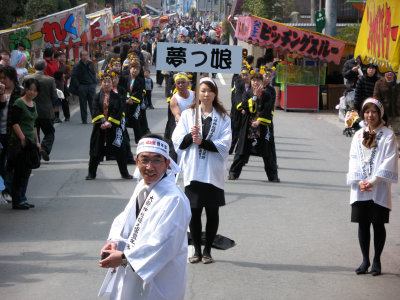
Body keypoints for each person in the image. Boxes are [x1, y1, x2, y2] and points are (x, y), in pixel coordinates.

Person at [98, 134, 191, 299]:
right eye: (145, 160)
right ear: (136, 161)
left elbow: (165, 244)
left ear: (167, 163)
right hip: (134, 266)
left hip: (162, 276)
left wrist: (125, 258)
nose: (150, 167)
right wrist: (114, 241)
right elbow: (125, 218)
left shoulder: (174, 199)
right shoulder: (143, 185)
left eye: (157, 160)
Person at [172, 77, 232, 264]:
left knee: (212, 211)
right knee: (194, 211)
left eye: (210, 91)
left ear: (215, 94)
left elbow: (225, 143)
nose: (206, 94)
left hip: (212, 171)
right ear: (198, 93)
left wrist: (203, 142)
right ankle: (197, 249)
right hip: (194, 170)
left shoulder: (223, 117)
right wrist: (191, 136)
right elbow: (177, 140)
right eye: (203, 90)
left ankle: (208, 250)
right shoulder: (189, 114)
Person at [347, 98, 398, 276]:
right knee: (362, 224)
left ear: (380, 114)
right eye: (367, 112)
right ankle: (365, 260)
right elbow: (353, 158)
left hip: (378, 186)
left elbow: (389, 160)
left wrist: (374, 181)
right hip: (361, 187)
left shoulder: (388, 135)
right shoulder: (359, 135)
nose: (370, 115)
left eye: (374, 112)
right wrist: (359, 181)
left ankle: (376, 261)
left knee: (377, 224)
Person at [228, 72, 279, 182]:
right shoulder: (247, 93)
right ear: (251, 82)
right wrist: (255, 96)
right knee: (241, 151)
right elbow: (244, 106)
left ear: (262, 82)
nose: (256, 82)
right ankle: (233, 173)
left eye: (258, 80)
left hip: (262, 127)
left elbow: (268, 110)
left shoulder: (267, 94)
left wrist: (259, 121)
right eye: (254, 80)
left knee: (267, 152)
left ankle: (273, 176)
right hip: (248, 126)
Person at [86, 71, 132, 180]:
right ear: (101, 83)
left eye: (108, 82)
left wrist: (110, 122)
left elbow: (118, 110)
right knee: (95, 151)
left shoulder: (116, 96)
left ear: (112, 84)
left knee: (120, 151)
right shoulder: (97, 96)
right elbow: (95, 109)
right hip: (99, 127)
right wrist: (103, 121)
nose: (106, 84)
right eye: (104, 82)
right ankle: (91, 174)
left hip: (114, 127)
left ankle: (124, 173)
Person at [7, 78, 40, 209]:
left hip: (31, 142)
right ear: (25, 89)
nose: (32, 92)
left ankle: (23, 198)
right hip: (20, 142)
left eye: (34, 90)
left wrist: (37, 142)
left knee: (27, 171)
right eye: (29, 89)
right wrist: (22, 138)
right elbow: (14, 122)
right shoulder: (19, 103)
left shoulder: (34, 104)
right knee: (19, 172)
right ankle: (17, 200)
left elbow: (34, 125)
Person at [24, 59, 57, 162]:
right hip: (46, 111)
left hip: (30, 109)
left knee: (34, 134)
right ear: (45, 68)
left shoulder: (26, 78)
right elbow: (54, 96)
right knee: (49, 132)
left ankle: (35, 155)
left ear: (34, 67)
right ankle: (44, 148)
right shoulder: (50, 80)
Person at [373, 71, 400, 147]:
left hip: (397, 112)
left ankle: (397, 149)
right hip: (384, 113)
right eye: (387, 72)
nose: (389, 74)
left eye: (391, 72)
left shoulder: (398, 82)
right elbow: (376, 97)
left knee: (397, 132)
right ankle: (383, 147)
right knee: (383, 132)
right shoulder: (379, 83)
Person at [70, 50, 97, 124]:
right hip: (82, 86)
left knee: (93, 103)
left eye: (86, 55)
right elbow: (74, 77)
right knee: (83, 103)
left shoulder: (90, 64)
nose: (85, 57)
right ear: (80, 56)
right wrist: (78, 86)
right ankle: (84, 119)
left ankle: (94, 118)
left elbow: (93, 73)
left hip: (91, 85)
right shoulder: (77, 65)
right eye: (83, 55)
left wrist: (94, 83)